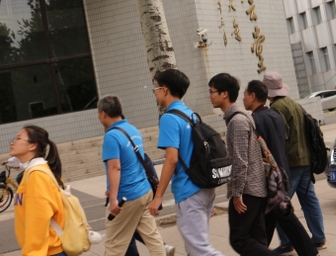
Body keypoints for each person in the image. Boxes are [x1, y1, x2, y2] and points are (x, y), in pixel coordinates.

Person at [149, 69, 224, 256]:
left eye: (156, 89)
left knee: (200, 250)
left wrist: (158, 196)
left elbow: (171, 159)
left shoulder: (169, 118)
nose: (155, 93)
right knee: (195, 248)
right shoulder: (191, 114)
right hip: (203, 187)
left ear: (165, 90)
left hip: (189, 191)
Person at [243, 80, 319, 256]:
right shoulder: (274, 115)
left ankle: (309, 252)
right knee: (271, 217)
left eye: (245, 95)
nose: (243, 99)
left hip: (268, 177)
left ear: (253, 96)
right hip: (281, 171)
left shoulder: (254, 121)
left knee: (281, 216)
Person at [208, 73, 277, 256]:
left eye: (212, 91)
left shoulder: (237, 121)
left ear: (224, 93)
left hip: (247, 190)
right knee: (257, 239)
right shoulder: (241, 117)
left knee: (239, 239)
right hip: (256, 188)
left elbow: (240, 161)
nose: (210, 96)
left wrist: (237, 193)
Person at [262, 71, 327, 254]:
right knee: (309, 200)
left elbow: (281, 138)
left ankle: (286, 242)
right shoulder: (294, 104)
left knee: (280, 203)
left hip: (291, 162)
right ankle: (319, 238)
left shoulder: (276, 108)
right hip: (306, 159)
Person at [98, 95, 166, 256]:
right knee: (152, 237)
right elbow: (131, 163)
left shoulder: (112, 136)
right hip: (144, 192)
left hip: (126, 197)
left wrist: (113, 198)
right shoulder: (132, 129)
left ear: (103, 113)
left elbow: (115, 168)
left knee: (114, 245)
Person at [10, 125, 66, 256]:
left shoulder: (37, 175)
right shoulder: (34, 171)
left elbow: (38, 221)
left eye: (18, 138)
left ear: (32, 146)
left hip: (46, 251)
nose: (12, 142)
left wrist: (33, 253)